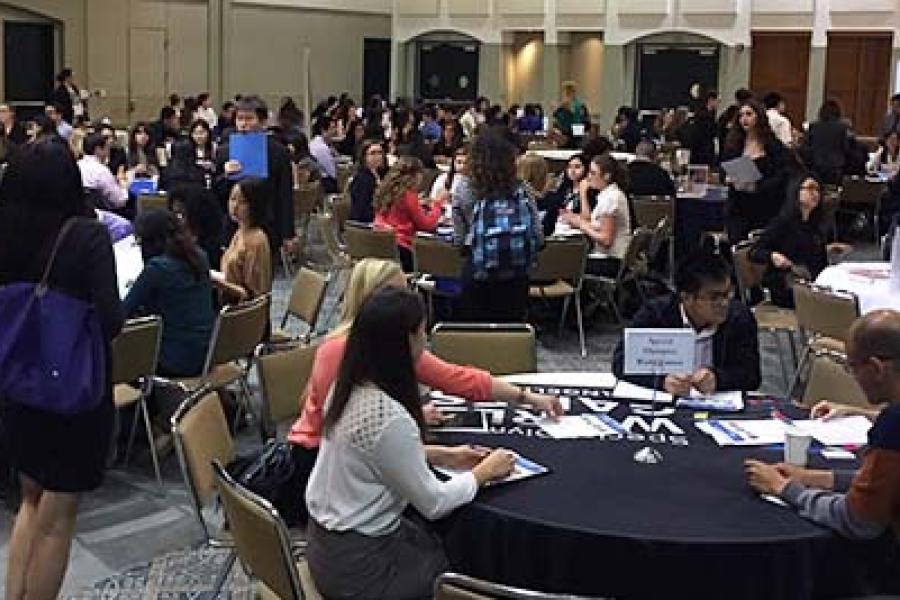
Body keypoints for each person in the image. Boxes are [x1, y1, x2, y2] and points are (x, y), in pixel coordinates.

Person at [285, 259, 562, 526]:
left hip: (344, 491)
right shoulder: (346, 361)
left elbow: (459, 379)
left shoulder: (373, 358)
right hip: (324, 473)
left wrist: (526, 397)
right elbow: (431, 501)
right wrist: (481, 472)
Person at [305, 287, 520, 598]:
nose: (426, 341)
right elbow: (435, 504)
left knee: (432, 540)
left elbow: (371, 456)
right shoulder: (389, 418)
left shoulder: (347, 387)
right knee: (459, 569)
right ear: (407, 340)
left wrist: (443, 456)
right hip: (360, 570)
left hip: (322, 545)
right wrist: (483, 473)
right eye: (422, 332)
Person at [0, 139, 123, 600]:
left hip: (17, 383)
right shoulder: (87, 235)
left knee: (30, 504)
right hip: (75, 389)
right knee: (58, 520)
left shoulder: (6, 231)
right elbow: (112, 320)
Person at [745, 310, 900, 544]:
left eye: (853, 368)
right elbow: (886, 485)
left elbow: (858, 520)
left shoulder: (893, 426)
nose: (854, 378)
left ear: (876, 368)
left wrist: (785, 489)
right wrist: (817, 478)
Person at [612, 243, 762, 394]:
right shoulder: (656, 314)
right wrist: (662, 381)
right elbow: (621, 363)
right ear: (687, 298)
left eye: (728, 294)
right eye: (714, 297)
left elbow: (751, 376)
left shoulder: (739, 318)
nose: (724, 303)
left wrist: (718, 379)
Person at [452, 130, 543, 322]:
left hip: (477, 270)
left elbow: (459, 241)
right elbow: (537, 234)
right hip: (516, 273)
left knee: (475, 333)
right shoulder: (522, 189)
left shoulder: (463, 188)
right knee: (511, 331)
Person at [123, 209, 215, 378]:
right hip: (209, 353)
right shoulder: (200, 256)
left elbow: (122, 311)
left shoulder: (157, 269)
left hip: (175, 361)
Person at [750, 174, 850, 308]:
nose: (815, 194)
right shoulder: (783, 223)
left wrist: (827, 249)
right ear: (797, 192)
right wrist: (773, 256)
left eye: (818, 190)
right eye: (810, 189)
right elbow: (754, 252)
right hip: (787, 284)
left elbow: (806, 252)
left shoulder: (814, 223)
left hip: (810, 280)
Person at [215, 95, 295, 254]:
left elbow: (285, 194)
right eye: (239, 119)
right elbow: (216, 193)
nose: (243, 124)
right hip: (234, 225)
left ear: (263, 122)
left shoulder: (278, 152)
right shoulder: (225, 151)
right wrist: (225, 175)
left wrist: (288, 234)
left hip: (267, 223)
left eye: (249, 119)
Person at [720, 99, 789, 243]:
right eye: (741, 115)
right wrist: (727, 178)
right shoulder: (734, 145)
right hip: (738, 206)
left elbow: (783, 175)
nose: (744, 119)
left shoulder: (772, 145)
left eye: (749, 114)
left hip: (765, 206)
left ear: (759, 117)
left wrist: (759, 186)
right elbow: (723, 169)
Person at [559, 154, 632, 278]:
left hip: (610, 260)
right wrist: (576, 219)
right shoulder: (610, 194)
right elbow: (599, 226)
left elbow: (606, 240)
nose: (588, 177)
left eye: (593, 173)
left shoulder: (611, 199)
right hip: (612, 258)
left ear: (607, 176)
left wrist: (581, 225)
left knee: (563, 263)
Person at [373, 156, 447, 272]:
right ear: (415, 175)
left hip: (384, 246)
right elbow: (427, 225)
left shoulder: (385, 190)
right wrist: (437, 204)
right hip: (403, 249)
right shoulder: (408, 195)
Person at [214, 177, 272, 303]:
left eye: (243, 202)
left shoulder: (256, 240)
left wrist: (217, 282)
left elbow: (252, 294)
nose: (235, 206)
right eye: (233, 199)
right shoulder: (239, 232)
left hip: (244, 312)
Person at [168, 184, 225, 269]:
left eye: (181, 215)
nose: (176, 221)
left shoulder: (215, 252)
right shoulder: (170, 246)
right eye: (174, 215)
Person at [803, 99, 852, 186]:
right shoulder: (842, 127)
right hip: (835, 166)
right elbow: (846, 148)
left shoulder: (813, 126)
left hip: (816, 165)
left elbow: (806, 147)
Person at [79, 133, 128, 210]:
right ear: (98, 149)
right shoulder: (101, 171)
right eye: (107, 147)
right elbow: (120, 202)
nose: (109, 150)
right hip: (102, 214)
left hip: (80, 211)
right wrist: (124, 186)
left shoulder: (77, 165)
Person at [348, 139, 384, 223]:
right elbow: (361, 212)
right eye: (373, 153)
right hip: (364, 227)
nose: (377, 156)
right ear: (364, 157)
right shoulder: (362, 180)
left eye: (380, 152)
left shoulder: (377, 174)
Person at [686, 90, 719, 167]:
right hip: (702, 151)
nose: (718, 103)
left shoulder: (707, 114)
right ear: (711, 100)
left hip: (703, 150)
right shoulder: (704, 116)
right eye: (717, 101)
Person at [309, 115, 339, 193]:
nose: (335, 131)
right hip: (324, 182)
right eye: (332, 128)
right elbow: (332, 173)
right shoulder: (321, 148)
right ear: (323, 130)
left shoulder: (314, 142)